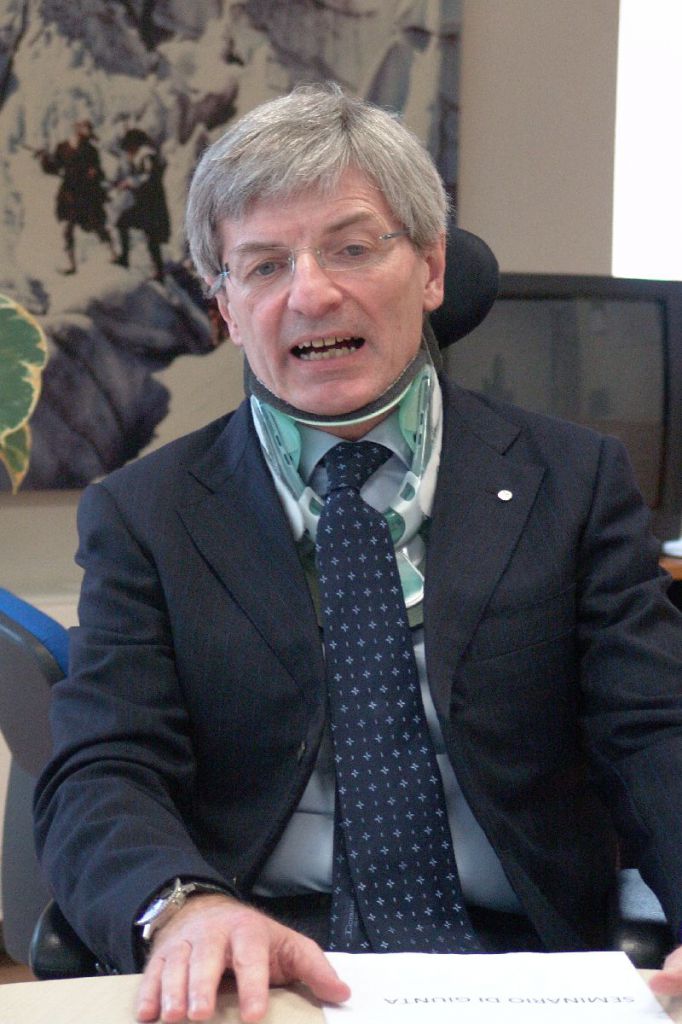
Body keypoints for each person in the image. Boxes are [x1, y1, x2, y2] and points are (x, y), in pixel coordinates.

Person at [34, 83, 682, 1024]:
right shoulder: (147, 514)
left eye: (351, 247)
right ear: (225, 307)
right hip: (262, 952)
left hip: (526, 955)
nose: (310, 293)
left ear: (431, 269)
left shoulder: (573, 479)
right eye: (263, 265)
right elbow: (103, 768)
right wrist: (183, 907)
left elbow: (657, 731)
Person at [36, 119, 115, 274]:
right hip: (69, 194)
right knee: (68, 228)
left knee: (97, 224)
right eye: (84, 131)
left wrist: (95, 173)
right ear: (77, 130)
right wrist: (43, 158)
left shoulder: (91, 150)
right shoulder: (63, 148)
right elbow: (53, 168)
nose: (87, 135)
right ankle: (70, 264)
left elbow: (99, 171)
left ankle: (112, 253)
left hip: (87, 193)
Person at [112, 128, 170, 281]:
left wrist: (130, 183)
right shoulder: (144, 156)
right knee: (148, 236)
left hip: (151, 205)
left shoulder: (146, 156)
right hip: (147, 204)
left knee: (150, 237)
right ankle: (156, 271)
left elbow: (150, 177)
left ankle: (156, 271)